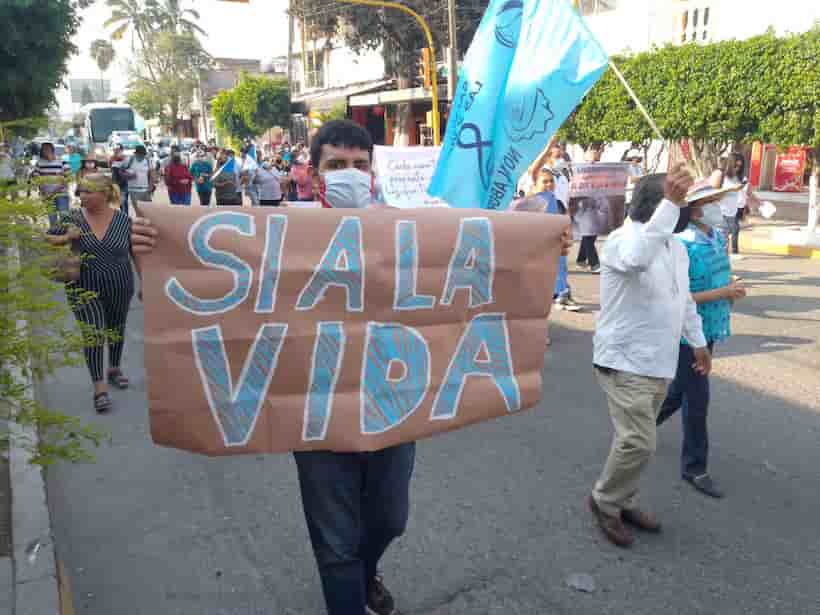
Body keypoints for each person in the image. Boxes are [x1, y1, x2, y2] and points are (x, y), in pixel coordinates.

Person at [588, 166, 711, 548]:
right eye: (676, 201)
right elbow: (638, 259)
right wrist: (670, 206)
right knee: (639, 441)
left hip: (658, 362)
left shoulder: (675, 247)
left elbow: (683, 298)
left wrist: (698, 342)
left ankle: (624, 499)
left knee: (636, 441)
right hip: (624, 360)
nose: (684, 209)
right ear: (656, 206)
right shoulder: (622, 240)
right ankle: (605, 501)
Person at [656, 183, 747, 498]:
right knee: (697, 398)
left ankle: (639, 427)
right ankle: (695, 467)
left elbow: (722, 275)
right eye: (712, 202)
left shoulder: (717, 237)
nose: (718, 206)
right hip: (686, 332)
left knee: (681, 391)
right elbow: (681, 298)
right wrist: (723, 293)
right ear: (694, 210)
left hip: (710, 327)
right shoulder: (681, 245)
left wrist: (731, 287)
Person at [46, 173, 136, 413]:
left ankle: (114, 369)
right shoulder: (71, 218)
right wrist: (67, 237)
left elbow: (135, 253)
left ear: (104, 193)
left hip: (120, 283)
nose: (82, 196)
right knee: (94, 334)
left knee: (116, 329)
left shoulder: (123, 220)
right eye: (81, 191)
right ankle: (100, 389)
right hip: (82, 287)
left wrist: (146, 283)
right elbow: (47, 236)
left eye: (88, 191)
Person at [710, 153, 746, 257]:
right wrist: (731, 189)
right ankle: (721, 270)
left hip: (731, 215)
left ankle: (723, 270)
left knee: (724, 244)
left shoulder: (737, 178)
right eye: (735, 166)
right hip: (720, 214)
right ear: (730, 164)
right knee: (722, 244)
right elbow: (712, 196)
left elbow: (743, 196)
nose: (737, 169)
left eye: (740, 166)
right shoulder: (721, 175)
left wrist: (743, 210)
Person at [31, 141, 71, 226]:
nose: (46, 152)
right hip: (46, 195)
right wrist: (44, 191)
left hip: (61, 194)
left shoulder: (62, 162)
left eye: (48, 149)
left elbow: (67, 178)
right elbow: (37, 178)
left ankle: (66, 236)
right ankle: (55, 234)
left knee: (64, 216)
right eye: (44, 150)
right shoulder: (39, 163)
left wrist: (54, 192)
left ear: (52, 150)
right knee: (52, 218)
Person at [109, 144, 130, 214]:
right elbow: (111, 169)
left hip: (124, 182)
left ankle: (126, 215)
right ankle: (123, 215)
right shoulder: (112, 158)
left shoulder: (126, 158)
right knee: (120, 201)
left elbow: (128, 169)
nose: (116, 151)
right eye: (115, 149)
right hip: (115, 182)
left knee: (124, 201)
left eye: (118, 149)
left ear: (122, 150)